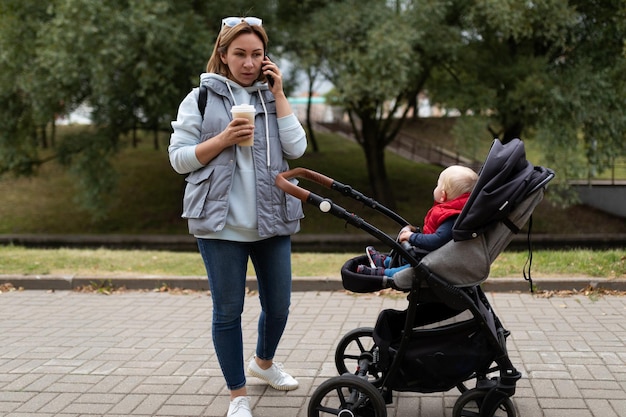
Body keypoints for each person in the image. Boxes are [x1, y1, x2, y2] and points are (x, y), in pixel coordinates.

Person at [168, 16, 307, 417]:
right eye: (240, 54)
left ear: (266, 58)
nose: (248, 62)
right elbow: (178, 160)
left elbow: (296, 148)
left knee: (278, 306)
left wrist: (279, 94)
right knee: (228, 311)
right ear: (224, 56)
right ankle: (237, 395)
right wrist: (223, 139)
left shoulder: (270, 96)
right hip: (219, 225)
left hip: (272, 220)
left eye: (256, 54)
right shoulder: (200, 99)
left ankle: (263, 364)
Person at [357, 165, 478, 277]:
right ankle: (385, 261)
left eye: (437, 185)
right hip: (433, 254)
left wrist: (411, 237)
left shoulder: (452, 217)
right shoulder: (457, 212)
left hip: (434, 259)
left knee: (412, 267)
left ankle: (384, 273)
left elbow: (436, 241)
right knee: (410, 253)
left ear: (443, 195)